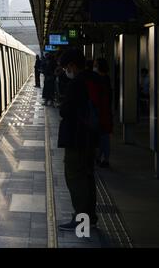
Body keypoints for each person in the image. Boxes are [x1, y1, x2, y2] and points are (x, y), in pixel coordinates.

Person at [58, 49, 99, 231]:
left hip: (77, 138)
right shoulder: (94, 79)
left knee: (75, 178)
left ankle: (81, 220)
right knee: (88, 177)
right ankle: (90, 216)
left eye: (67, 67)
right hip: (91, 137)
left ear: (73, 65)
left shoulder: (76, 84)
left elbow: (66, 111)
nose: (67, 70)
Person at [94, 59, 113, 168]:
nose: (94, 67)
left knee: (103, 137)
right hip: (105, 112)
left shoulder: (101, 80)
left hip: (102, 113)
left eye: (96, 65)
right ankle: (102, 158)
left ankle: (104, 159)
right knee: (104, 136)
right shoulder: (106, 79)